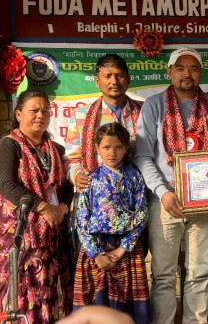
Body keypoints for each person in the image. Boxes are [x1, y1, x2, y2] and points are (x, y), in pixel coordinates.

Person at [135, 47, 208, 324]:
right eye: (180, 68)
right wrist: (163, 192)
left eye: (193, 68)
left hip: (205, 202)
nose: (186, 73)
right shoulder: (154, 105)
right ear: (169, 72)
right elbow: (143, 156)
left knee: (199, 274)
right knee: (163, 275)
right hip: (165, 202)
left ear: (200, 73)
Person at [0, 89, 73, 324]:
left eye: (45, 111)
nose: (40, 115)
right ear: (18, 114)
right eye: (34, 110)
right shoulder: (7, 146)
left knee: (47, 290)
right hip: (16, 233)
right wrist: (44, 208)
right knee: (18, 292)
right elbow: (7, 184)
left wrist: (62, 208)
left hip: (50, 233)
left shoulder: (56, 150)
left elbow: (66, 185)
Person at [73, 123, 152, 323]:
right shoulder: (89, 179)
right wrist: (95, 254)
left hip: (126, 248)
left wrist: (123, 248)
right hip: (97, 248)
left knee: (128, 304)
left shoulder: (134, 177)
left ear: (126, 149)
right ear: (97, 148)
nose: (112, 153)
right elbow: (81, 220)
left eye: (118, 147)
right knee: (98, 302)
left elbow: (141, 214)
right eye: (106, 147)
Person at [65, 54, 142, 192]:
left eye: (119, 75)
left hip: (139, 193)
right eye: (107, 76)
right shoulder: (81, 115)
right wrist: (77, 174)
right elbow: (71, 159)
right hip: (96, 195)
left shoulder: (145, 111)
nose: (114, 81)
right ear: (97, 81)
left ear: (128, 79)